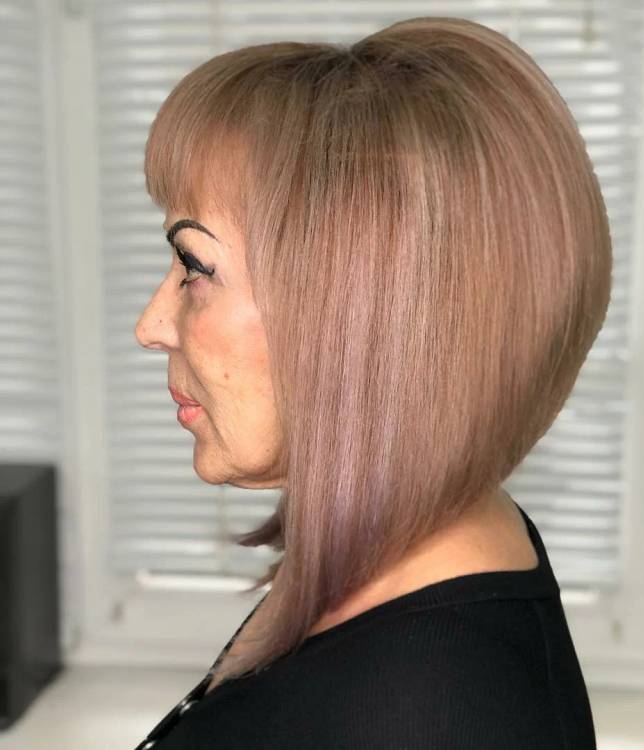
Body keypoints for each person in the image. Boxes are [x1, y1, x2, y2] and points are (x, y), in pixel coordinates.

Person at [133, 15, 608, 749]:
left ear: (358, 312)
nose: (152, 325)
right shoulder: (416, 562)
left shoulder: (418, 711)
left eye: (194, 267)